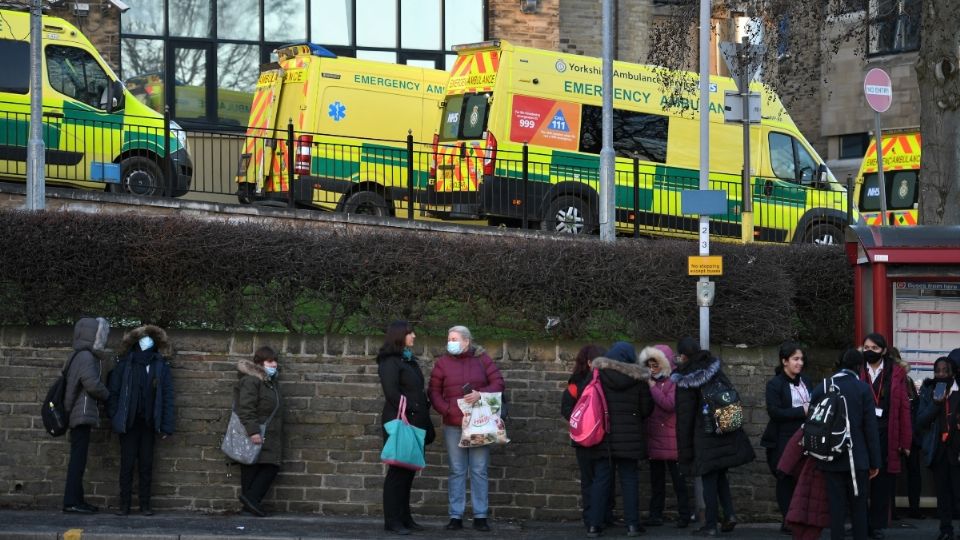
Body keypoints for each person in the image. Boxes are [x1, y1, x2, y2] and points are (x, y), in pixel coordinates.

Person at [672, 336, 755, 537]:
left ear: (683, 356)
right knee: (720, 477)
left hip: (705, 436)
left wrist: (684, 451)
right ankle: (729, 514)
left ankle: (710, 525)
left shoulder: (686, 379)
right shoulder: (714, 368)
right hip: (725, 431)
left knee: (709, 479)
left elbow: (685, 419)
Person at [429, 325, 504, 533]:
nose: (450, 342)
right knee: (456, 470)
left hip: (480, 423)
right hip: (454, 424)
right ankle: (456, 515)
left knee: (479, 470)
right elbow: (433, 391)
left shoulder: (482, 360)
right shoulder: (442, 363)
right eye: (449, 338)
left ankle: (480, 515)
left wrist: (481, 394)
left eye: (454, 338)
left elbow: (498, 383)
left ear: (466, 341)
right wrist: (447, 410)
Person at [580, 342, 654, 538]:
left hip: (604, 436)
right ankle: (632, 525)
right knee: (629, 480)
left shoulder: (597, 374)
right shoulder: (638, 379)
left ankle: (594, 525)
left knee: (601, 479)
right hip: (630, 439)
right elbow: (647, 409)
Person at [814, 348, 881, 540]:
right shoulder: (863, 389)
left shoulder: (824, 386)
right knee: (859, 509)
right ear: (859, 367)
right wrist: (874, 462)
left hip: (830, 456)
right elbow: (870, 428)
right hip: (857, 458)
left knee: (836, 509)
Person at [107, 325, 175, 516]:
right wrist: (115, 417)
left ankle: (145, 505)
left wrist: (166, 426)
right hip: (128, 423)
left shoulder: (160, 366)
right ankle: (124, 505)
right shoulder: (125, 364)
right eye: (143, 338)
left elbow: (167, 397)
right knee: (126, 465)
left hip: (149, 423)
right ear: (136, 342)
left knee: (146, 465)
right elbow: (114, 393)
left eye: (150, 339)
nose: (146, 342)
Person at [377, 321, 436, 535]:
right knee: (397, 472)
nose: (414, 336)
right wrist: (412, 410)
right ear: (400, 336)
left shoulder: (408, 360)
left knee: (408, 471)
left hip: (415, 420)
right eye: (410, 333)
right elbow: (392, 393)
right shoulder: (389, 362)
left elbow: (417, 391)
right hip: (401, 421)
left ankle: (404, 517)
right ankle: (392, 521)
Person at [858, 333, 912, 539]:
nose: (869, 351)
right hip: (862, 431)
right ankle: (860, 523)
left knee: (882, 482)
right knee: (862, 480)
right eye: (866, 347)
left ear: (884, 351)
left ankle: (877, 525)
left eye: (874, 347)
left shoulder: (896, 373)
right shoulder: (858, 369)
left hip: (886, 431)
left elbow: (904, 409)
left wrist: (905, 440)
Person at [560, 344, 615, 527]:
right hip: (603, 438)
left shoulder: (575, 382)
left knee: (588, 480)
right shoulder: (609, 380)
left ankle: (590, 518)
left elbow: (566, 408)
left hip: (582, 438)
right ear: (590, 362)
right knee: (604, 480)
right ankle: (603, 517)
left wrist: (581, 423)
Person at [760, 342, 812, 534]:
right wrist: (802, 411)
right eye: (795, 359)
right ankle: (787, 519)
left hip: (805, 437)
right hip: (782, 438)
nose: (800, 363)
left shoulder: (806, 380)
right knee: (785, 479)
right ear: (784, 361)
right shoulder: (775, 384)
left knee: (802, 480)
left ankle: (799, 518)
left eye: (801, 359)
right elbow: (774, 412)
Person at [62, 317, 111, 514]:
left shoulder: (76, 355)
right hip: (80, 415)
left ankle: (76, 500)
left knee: (78, 459)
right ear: (93, 334)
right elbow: (91, 384)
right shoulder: (86, 357)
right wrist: (108, 395)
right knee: (78, 460)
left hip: (76, 414)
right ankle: (72, 501)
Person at [640, 344, 691, 529]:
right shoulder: (648, 382)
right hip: (654, 437)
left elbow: (669, 404)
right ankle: (655, 515)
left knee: (679, 481)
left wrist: (652, 388)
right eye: (650, 366)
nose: (652, 370)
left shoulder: (674, 381)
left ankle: (685, 515)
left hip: (671, 439)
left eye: (656, 365)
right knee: (656, 482)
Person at [234, 345, 284, 517]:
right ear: (260, 362)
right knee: (257, 467)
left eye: (275, 361)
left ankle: (249, 506)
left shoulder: (269, 383)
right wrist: (253, 431)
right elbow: (246, 408)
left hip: (268, 433)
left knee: (263, 466)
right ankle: (250, 502)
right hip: (255, 431)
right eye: (270, 361)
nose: (274, 364)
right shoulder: (252, 381)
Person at [916, 357, 960, 540]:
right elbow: (920, 421)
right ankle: (945, 529)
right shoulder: (929, 391)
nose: (941, 374)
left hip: (957, 449)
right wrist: (936, 403)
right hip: (938, 449)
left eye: (945, 370)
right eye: (938, 371)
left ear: (953, 372)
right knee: (942, 493)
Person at [889, 347, 922, 520]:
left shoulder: (906, 380)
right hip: (898, 431)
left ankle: (913, 508)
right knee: (894, 473)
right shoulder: (898, 380)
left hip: (909, 431)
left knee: (911, 472)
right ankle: (892, 511)